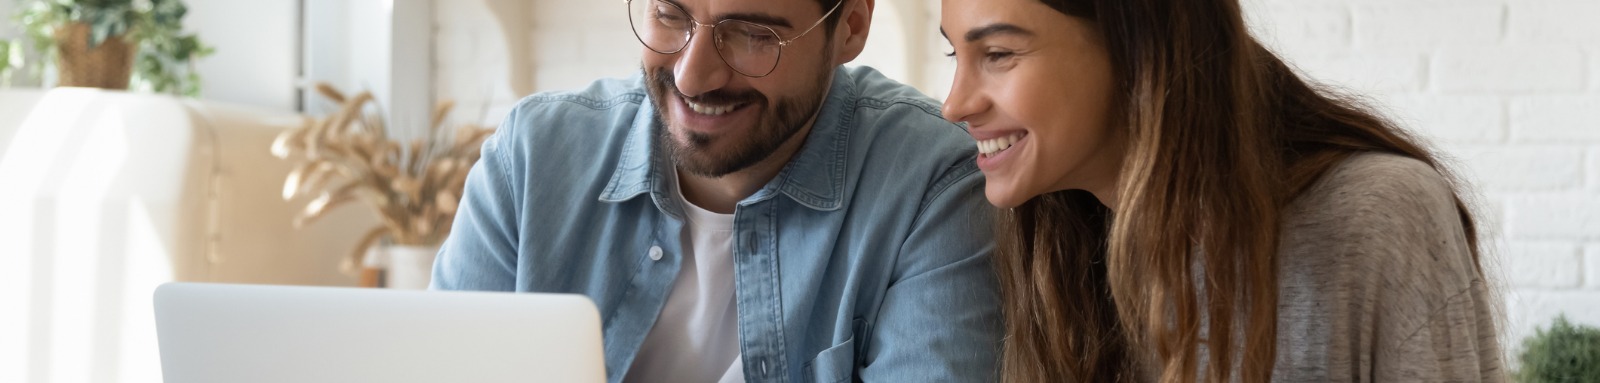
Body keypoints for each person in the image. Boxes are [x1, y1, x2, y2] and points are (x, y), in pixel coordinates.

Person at [432, 0, 1002, 381]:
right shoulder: (533, 158)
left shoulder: (934, 185)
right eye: (669, 14)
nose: (691, 75)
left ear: (850, 26)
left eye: (753, 33)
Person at [939, 0, 1504, 381]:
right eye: (954, 55)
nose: (955, 104)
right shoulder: (1050, 241)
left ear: (1138, 43)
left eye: (997, 54)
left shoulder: (1379, 217)